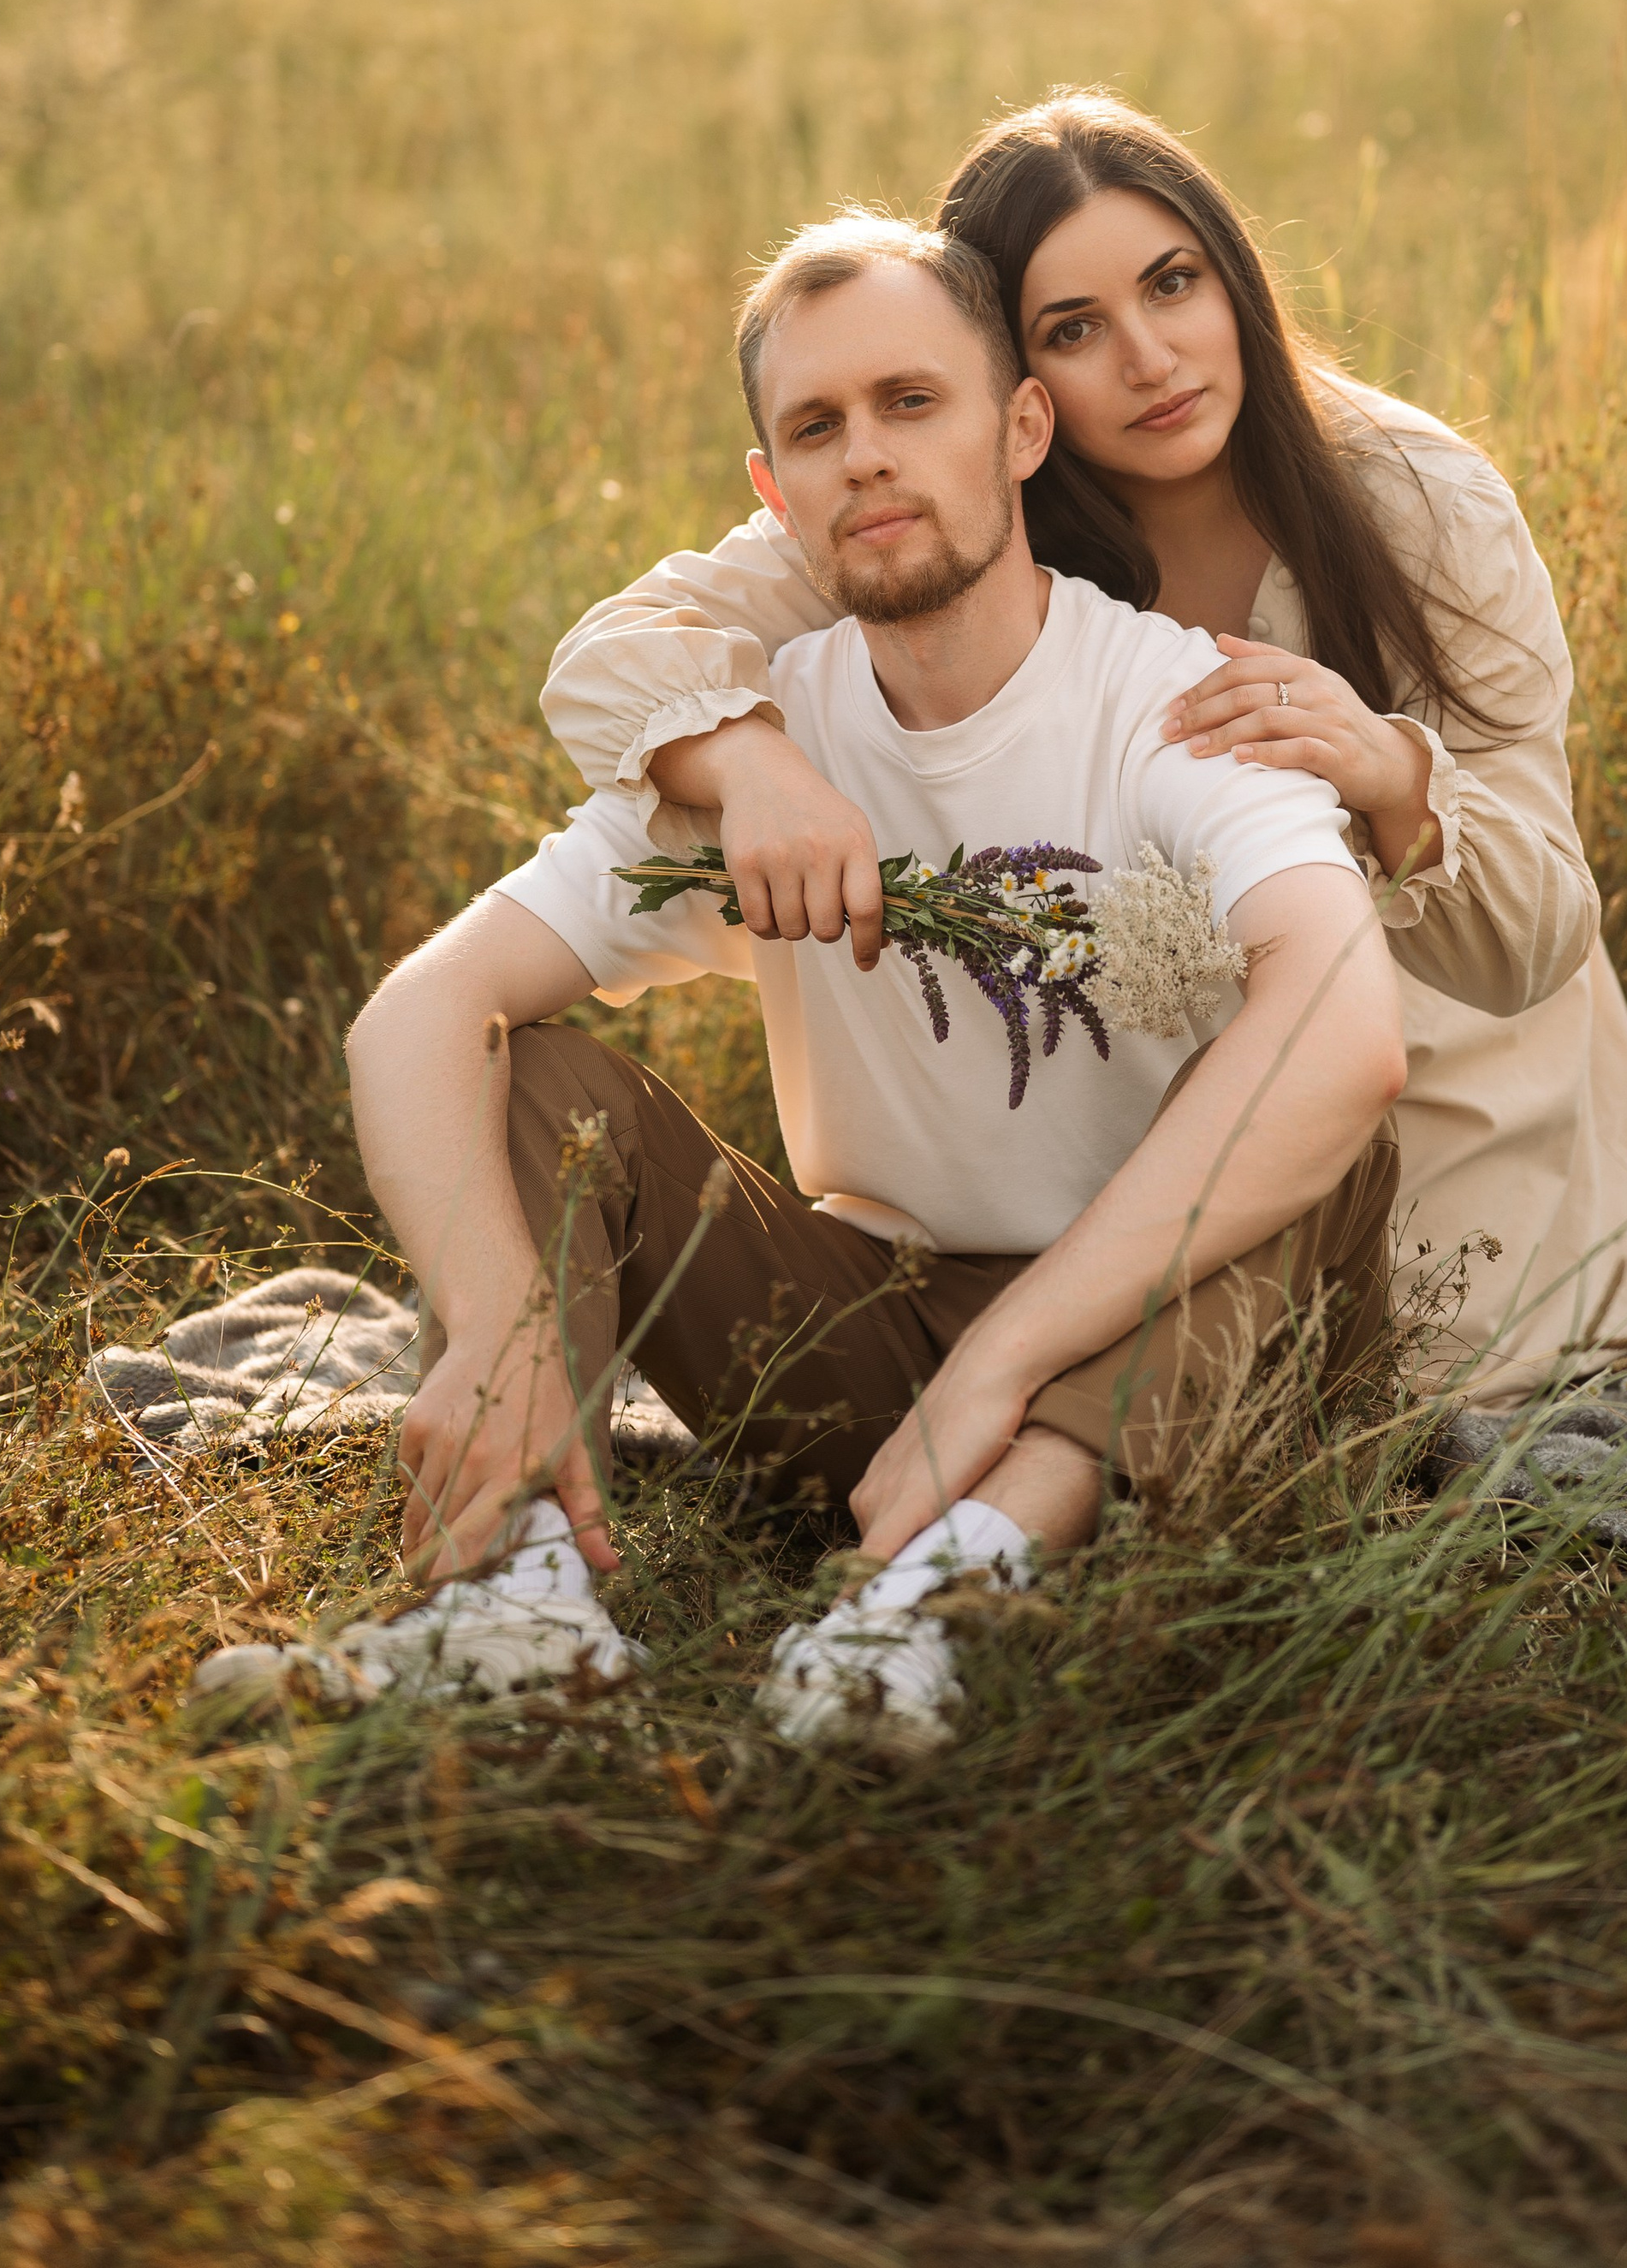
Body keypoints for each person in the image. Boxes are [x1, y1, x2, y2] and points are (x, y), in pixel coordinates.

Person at [217, 216, 1406, 1750]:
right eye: (818, 428)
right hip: (867, 1346)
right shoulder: (755, 746)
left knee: (1314, 1131)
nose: (868, 457)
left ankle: (926, 1608)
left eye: (913, 402)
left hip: (1175, 1362)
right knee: (537, 1080)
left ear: (1022, 430)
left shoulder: (1172, 705)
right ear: (774, 493)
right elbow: (419, 1013)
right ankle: (519, 1607)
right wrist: (502, 1333)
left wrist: (1006, 1362)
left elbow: (1347, 1032)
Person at [543, 94, 1627, 1398]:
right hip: (1136, 1132)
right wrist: (752, 766)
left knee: (1377, 1401)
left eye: (1173, 284)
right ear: (1007, 386)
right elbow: (611, 658)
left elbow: (1542, 935)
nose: (1150, 359)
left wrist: (1390, 775)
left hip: (1446, 1101)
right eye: (1073, 329)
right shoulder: (953, 498)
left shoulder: (1420, 504)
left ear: (1233, 279)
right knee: (1093, 1382)